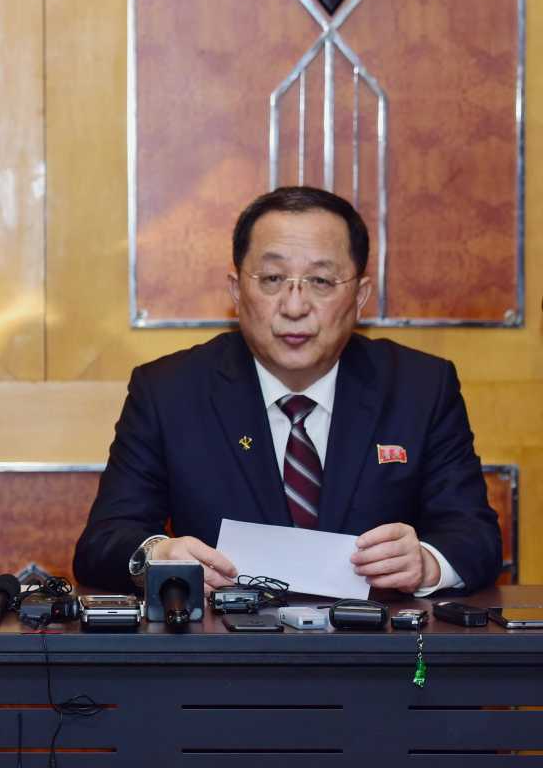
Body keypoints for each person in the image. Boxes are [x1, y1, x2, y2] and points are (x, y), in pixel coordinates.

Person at [74, 186, 501, 596]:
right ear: (236, 291)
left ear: (360, 296)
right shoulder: (169, 391)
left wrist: (426, 563)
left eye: (320, 281)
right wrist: (156, 554)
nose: (294, 307)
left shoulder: (420, 388)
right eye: (273, 278)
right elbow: (103, 543)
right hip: (223, 654)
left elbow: (475, 536)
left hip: (373, 657)